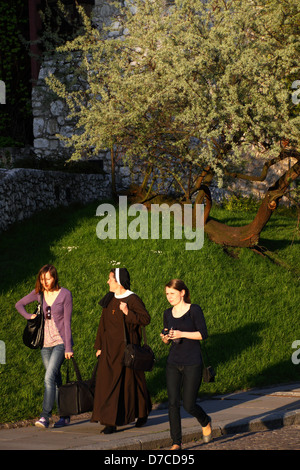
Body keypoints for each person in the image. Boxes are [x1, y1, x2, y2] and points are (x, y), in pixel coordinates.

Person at [91, 267, 152, 434]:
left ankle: (141, 413)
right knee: (108, 384)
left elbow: (145, 319)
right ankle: (110, 422)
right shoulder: (109, 298)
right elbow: (102, 325)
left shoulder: (132, 299)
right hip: (109, 350)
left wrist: (127, 312)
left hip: (127, 351)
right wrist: (99, 346)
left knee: (134, 384)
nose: (108, 281)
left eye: (110, 279)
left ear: (118, 281)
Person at [15, 264, 73, 429]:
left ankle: (44, 416)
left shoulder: (65, 295)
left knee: (48, 378)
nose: (45, 281)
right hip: (45, 344)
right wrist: (29, 316)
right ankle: (65, 416)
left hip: (61, 343)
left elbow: (67, 323)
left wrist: (68, 348)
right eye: (42, 278)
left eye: (48, 278)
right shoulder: (39, 294)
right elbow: (19, 304)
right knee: (55, 380)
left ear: (54, 277)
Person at [160, 279, 212, 450]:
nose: (169, 297)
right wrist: (166, 338)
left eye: (172, 293)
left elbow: (203, 334)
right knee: (173, 403)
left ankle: (205, 420)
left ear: (182, 293)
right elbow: (168, 339)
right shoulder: (167, 313)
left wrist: (182, 333)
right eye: (167, 294)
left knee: (189, 404)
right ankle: (176, 442)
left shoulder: (194, 310)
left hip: (192, 362)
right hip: (173, 363)